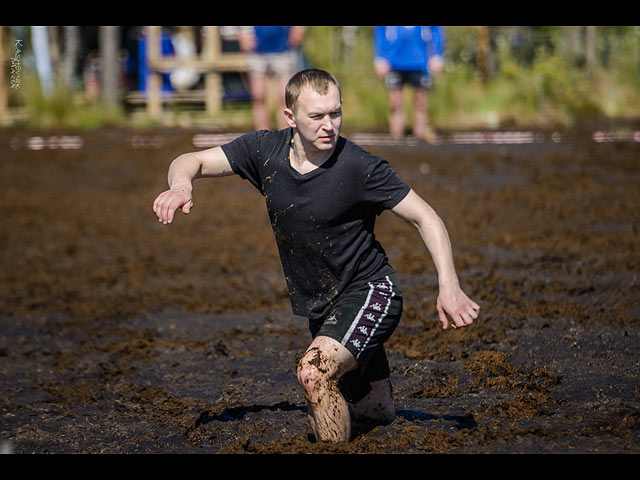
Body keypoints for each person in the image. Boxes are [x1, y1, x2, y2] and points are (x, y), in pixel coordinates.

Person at [152, 69, 479, 443]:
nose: (329, 125)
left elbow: (427, 218)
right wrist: (181, 186)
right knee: (379, 415)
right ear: (290, 117)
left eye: (335, 113)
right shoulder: (264, 151)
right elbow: (190, 160)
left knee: (313, 372)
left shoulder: (361, 167)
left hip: (371, 291)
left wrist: (449, 285)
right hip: (324, 305)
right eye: (317, 116)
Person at [374, 26, 445, 143]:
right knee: (395, 104)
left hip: (420, 62)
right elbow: (380, 32)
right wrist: (379, 57)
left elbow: (436, 31)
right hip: (394, 63)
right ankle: (396, 140)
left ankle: (420, 140)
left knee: (421, 103)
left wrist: (437, 55)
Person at [237, 26, 306, 130]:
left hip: (284, 50)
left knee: (285, 98)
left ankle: (284, 137)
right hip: (256, 52)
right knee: (258, 96)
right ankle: (262, 137)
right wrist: (242, 34)